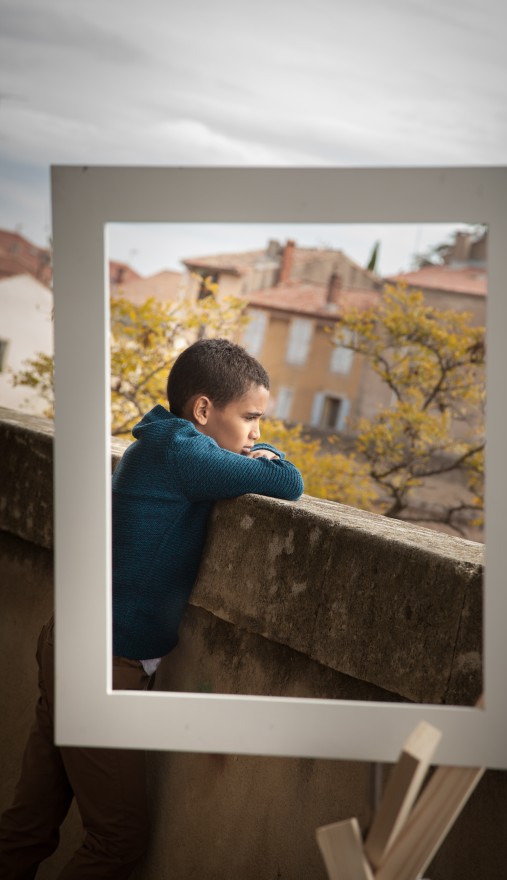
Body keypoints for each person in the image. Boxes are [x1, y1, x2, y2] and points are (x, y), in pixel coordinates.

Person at [0, 338, 304, 880]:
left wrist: (249, 448)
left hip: (74, 641)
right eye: (251, 418)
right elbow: (287, 482)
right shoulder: (183, 453)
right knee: (118, 839)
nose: (257, 433)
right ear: (204, 410)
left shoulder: (162, 441)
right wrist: (271, 456)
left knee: (30, 824)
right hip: (101, 662)